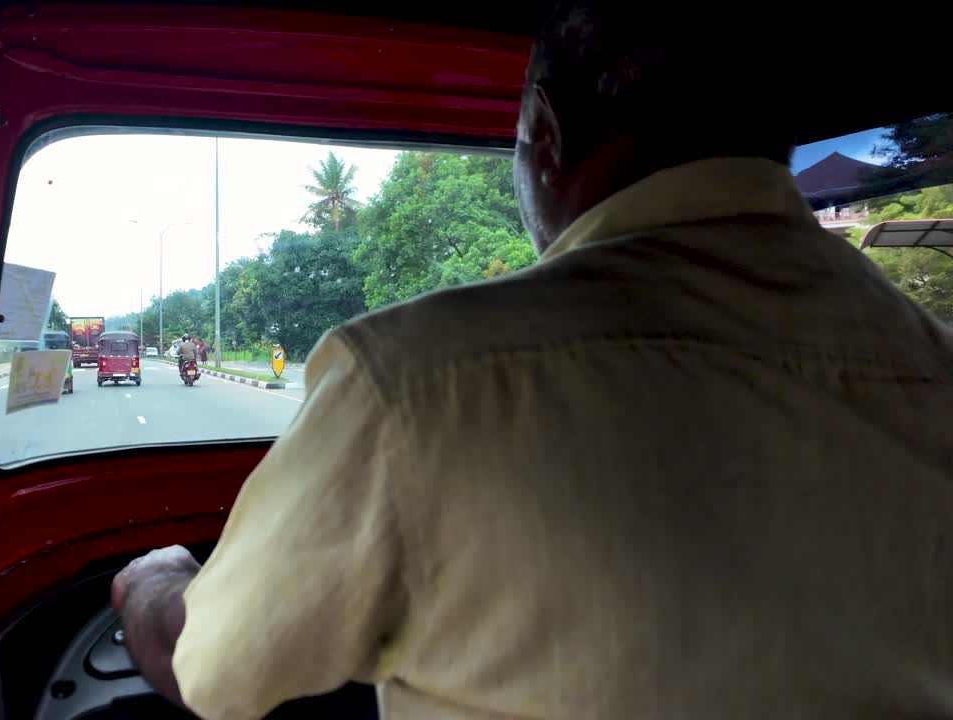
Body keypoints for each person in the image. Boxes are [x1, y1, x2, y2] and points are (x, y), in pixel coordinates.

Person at [112, 3, 953, 719]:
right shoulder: (933, 361)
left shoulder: (417, 380)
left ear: (546, 134)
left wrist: (152, 581)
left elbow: (211, 669)